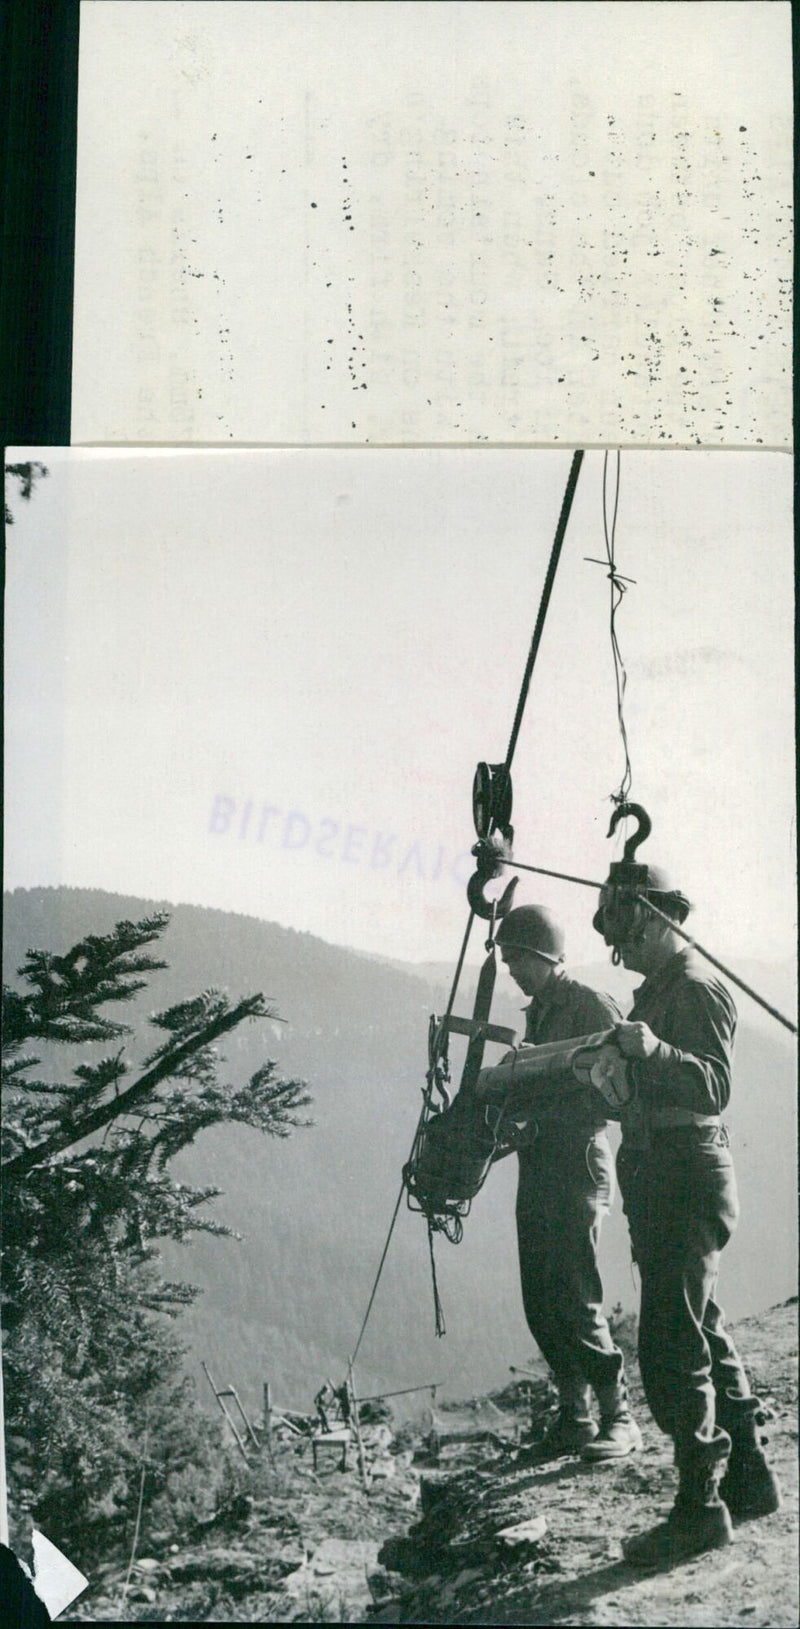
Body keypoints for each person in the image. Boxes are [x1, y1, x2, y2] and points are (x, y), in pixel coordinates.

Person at [600, 867, 782, 1565]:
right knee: (700, 1323)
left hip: (686, 1172)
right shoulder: (659, 990)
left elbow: (714, 1085)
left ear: (656, 922)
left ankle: (699, 1509)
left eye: (627, 936)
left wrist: (654, 1050)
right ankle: (750, 1478)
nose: (621, 953)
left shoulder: (698, 988)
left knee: (673, 1343)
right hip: (663, 1171)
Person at [479, 904, 641, 1462]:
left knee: (575, 1291)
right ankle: (574, 1415)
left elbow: (622, 1090)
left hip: (578, 1162)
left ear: (546, 957)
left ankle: (618, 1417)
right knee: (541, 1295)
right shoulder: (541, 1012)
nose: (511, 969)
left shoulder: (591, 1005)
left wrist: (547, 1103)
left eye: (518, 958)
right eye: (506, 959)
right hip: (540, 1161)